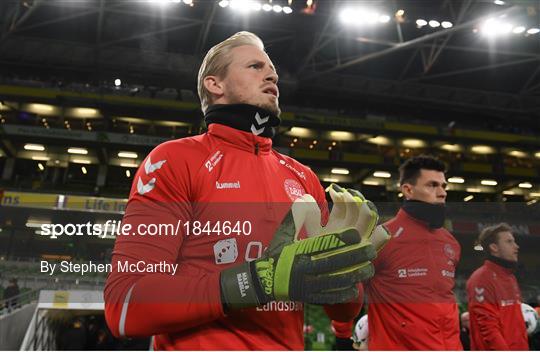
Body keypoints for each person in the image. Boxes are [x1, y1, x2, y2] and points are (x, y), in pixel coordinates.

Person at [104, 31, 380, 350]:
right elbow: (124, 305)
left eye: (272, 68)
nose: (272, 74)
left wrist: (345, 271)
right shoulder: (175, 160)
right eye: (255, 66)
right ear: (215, 84)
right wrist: (255, 282)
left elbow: (342, 309)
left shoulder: (303, 177)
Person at [359, 155, 463, 349]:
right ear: (408, 189)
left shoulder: (451, 243)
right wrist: (342, 332)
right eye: (432, 185)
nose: (442, 193)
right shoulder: (381, 239)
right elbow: (351, 292)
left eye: (444, 186)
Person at [466, 223, 528, 350]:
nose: (516, 246)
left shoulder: (510, 278)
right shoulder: (481, 279)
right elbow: (488, 328)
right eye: (509, 242)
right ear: (494, 247)